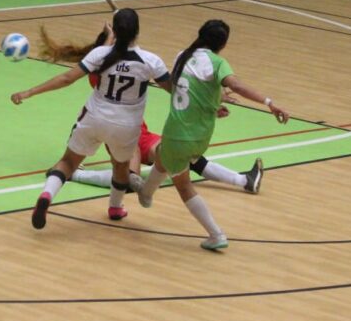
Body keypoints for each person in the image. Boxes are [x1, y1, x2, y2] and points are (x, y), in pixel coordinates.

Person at [38, 24, 263, 195]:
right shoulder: (100, 67)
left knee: (184, 155)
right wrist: (113, 36)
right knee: (129, 179)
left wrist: (209, 105)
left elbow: (176, 88)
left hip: (140, 131)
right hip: (121, 131)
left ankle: (243, 181)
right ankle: (76, 174)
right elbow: (105, 56)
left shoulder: (123, 60)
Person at [11, 8, 170, 228]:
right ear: (137, 31)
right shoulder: (151, 61)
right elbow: (173, 88)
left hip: (94, 118)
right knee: (121, 168)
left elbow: (66, 78)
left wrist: (29, 92)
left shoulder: (99, 55)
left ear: (113, 31)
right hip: (126, 124)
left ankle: (47, 194)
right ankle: (115, 207)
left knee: (68, 162)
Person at [139, 19, 289, 251]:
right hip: (201, 135)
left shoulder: (182, 56)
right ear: (223, 44)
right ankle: (145, 195)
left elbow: (183, 88)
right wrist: (266, 103)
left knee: (183, 184)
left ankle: (216, 234)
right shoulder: (217, 63)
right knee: (162, 156)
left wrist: (219, 100)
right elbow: (229, 87)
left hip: (179, 133)